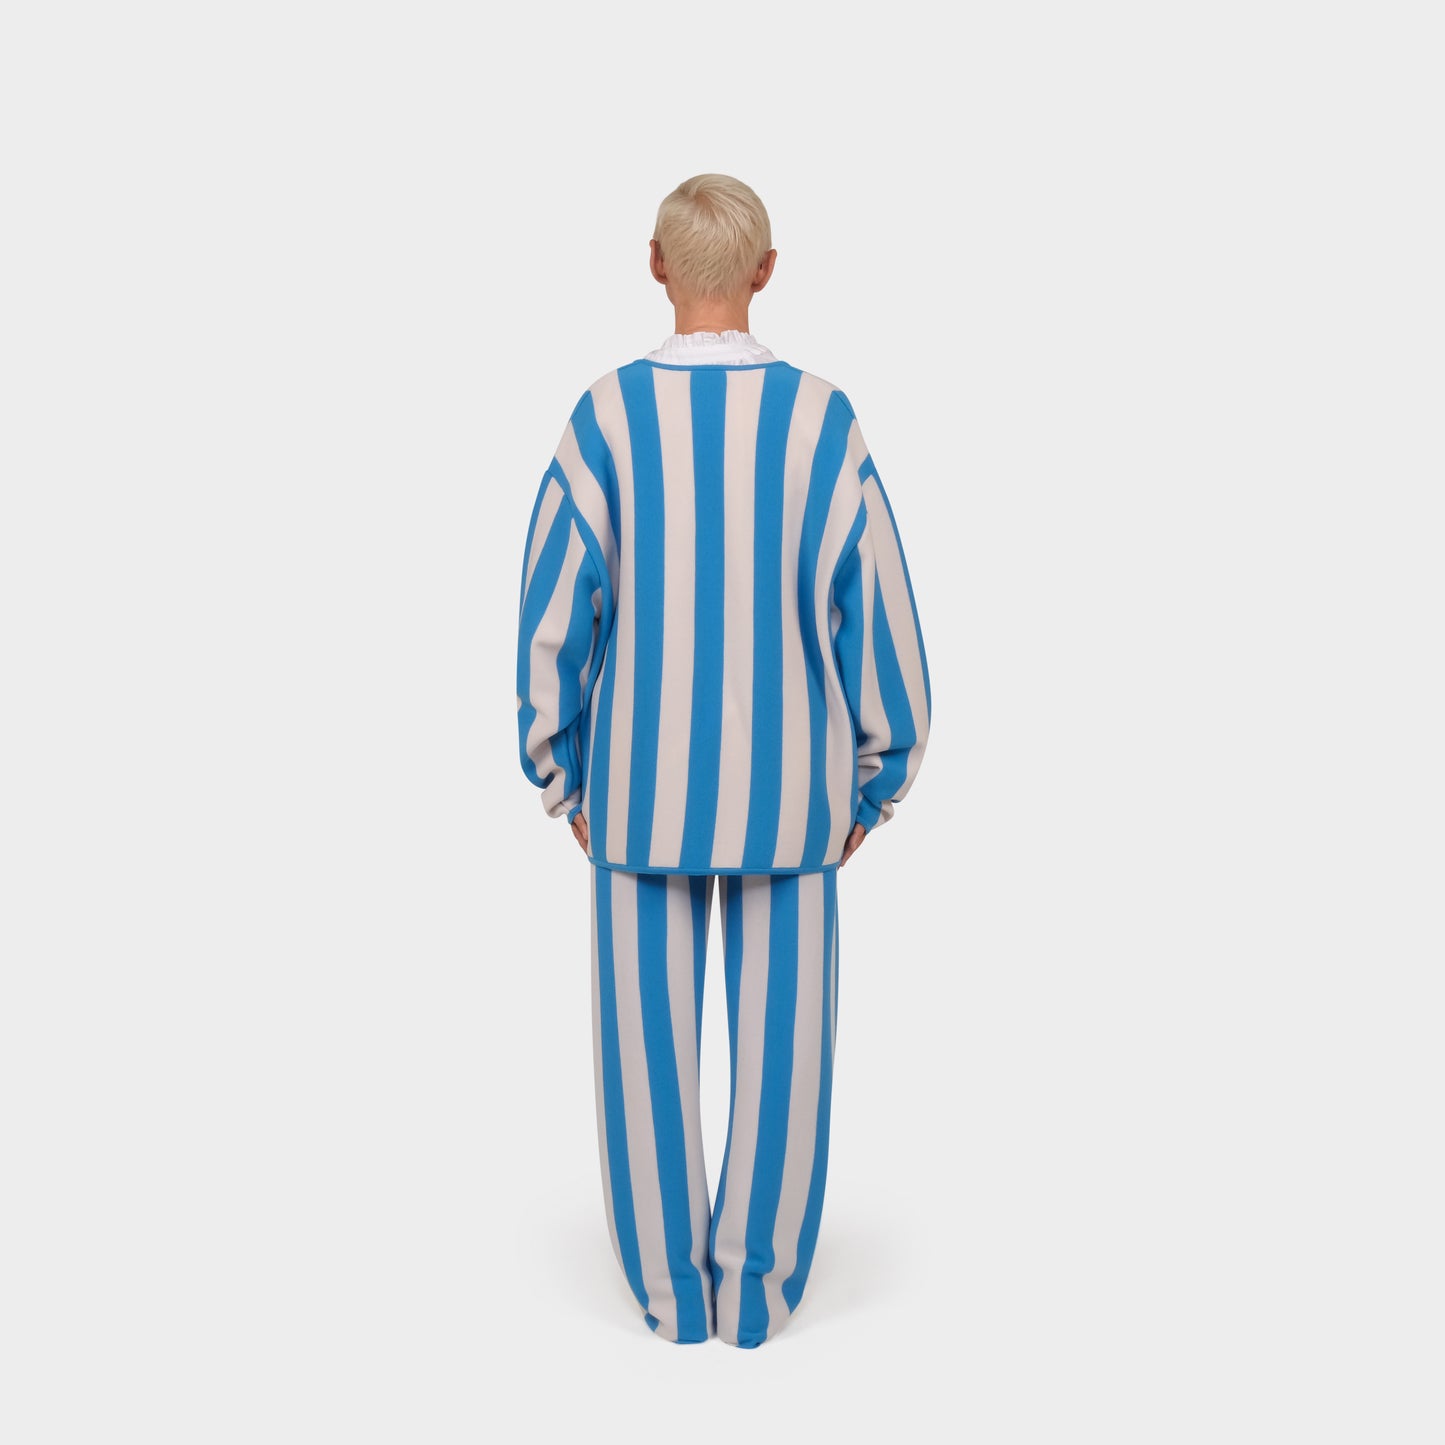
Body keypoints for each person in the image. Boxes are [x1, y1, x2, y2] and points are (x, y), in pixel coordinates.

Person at [515, 173, 931, 1348]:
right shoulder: (821, 423)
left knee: (641, 1051)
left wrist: (560, 771)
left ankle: (666, 1294)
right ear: (766, 269)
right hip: (793, 802)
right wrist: (875, 777)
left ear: (654, 265)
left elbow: (554, 608)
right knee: (785, 1051)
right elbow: (877, 607)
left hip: (636, 796)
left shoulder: (604, 420)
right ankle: (758, 1292)